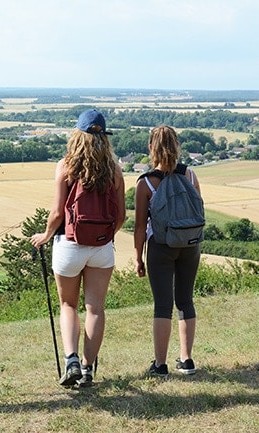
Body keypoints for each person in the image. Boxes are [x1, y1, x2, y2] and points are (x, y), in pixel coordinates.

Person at [31, 109, 126, 388]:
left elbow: (58, 213)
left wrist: (46, 236)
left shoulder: (66, 166)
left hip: (69, 245)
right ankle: (87, 370)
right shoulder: (115, 170)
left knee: (68, 304)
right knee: (95, 308)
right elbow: (121, 216)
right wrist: (104, 236)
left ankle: (71, 358)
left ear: (77, 135)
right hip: (102, 248)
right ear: (104, 138)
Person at [133, 125, 201, 378]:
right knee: (185, 300)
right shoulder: (191, 176)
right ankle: (187, 360)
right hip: (190, 245)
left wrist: (138, 257)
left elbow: (140, 226)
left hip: (161, 247)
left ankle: (160, 364)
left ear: (151, 148)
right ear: (176, 146)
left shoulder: (146, 184)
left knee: (163, 305)